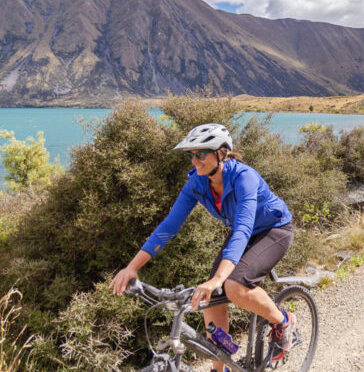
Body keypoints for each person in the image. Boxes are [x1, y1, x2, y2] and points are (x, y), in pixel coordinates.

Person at [110, 123, 295, 372]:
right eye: (191, 155)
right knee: (211, 301)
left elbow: (242, 229)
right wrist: (132, 267)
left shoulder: (244, 177)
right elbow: (168, 227)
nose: (195, 161)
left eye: (201, 154)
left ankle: (283, 321)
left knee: (233, 286)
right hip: (244, 233)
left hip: (274, 230)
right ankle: (222, 368)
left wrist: (217, 279)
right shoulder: (197, 184)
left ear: (221, 153)